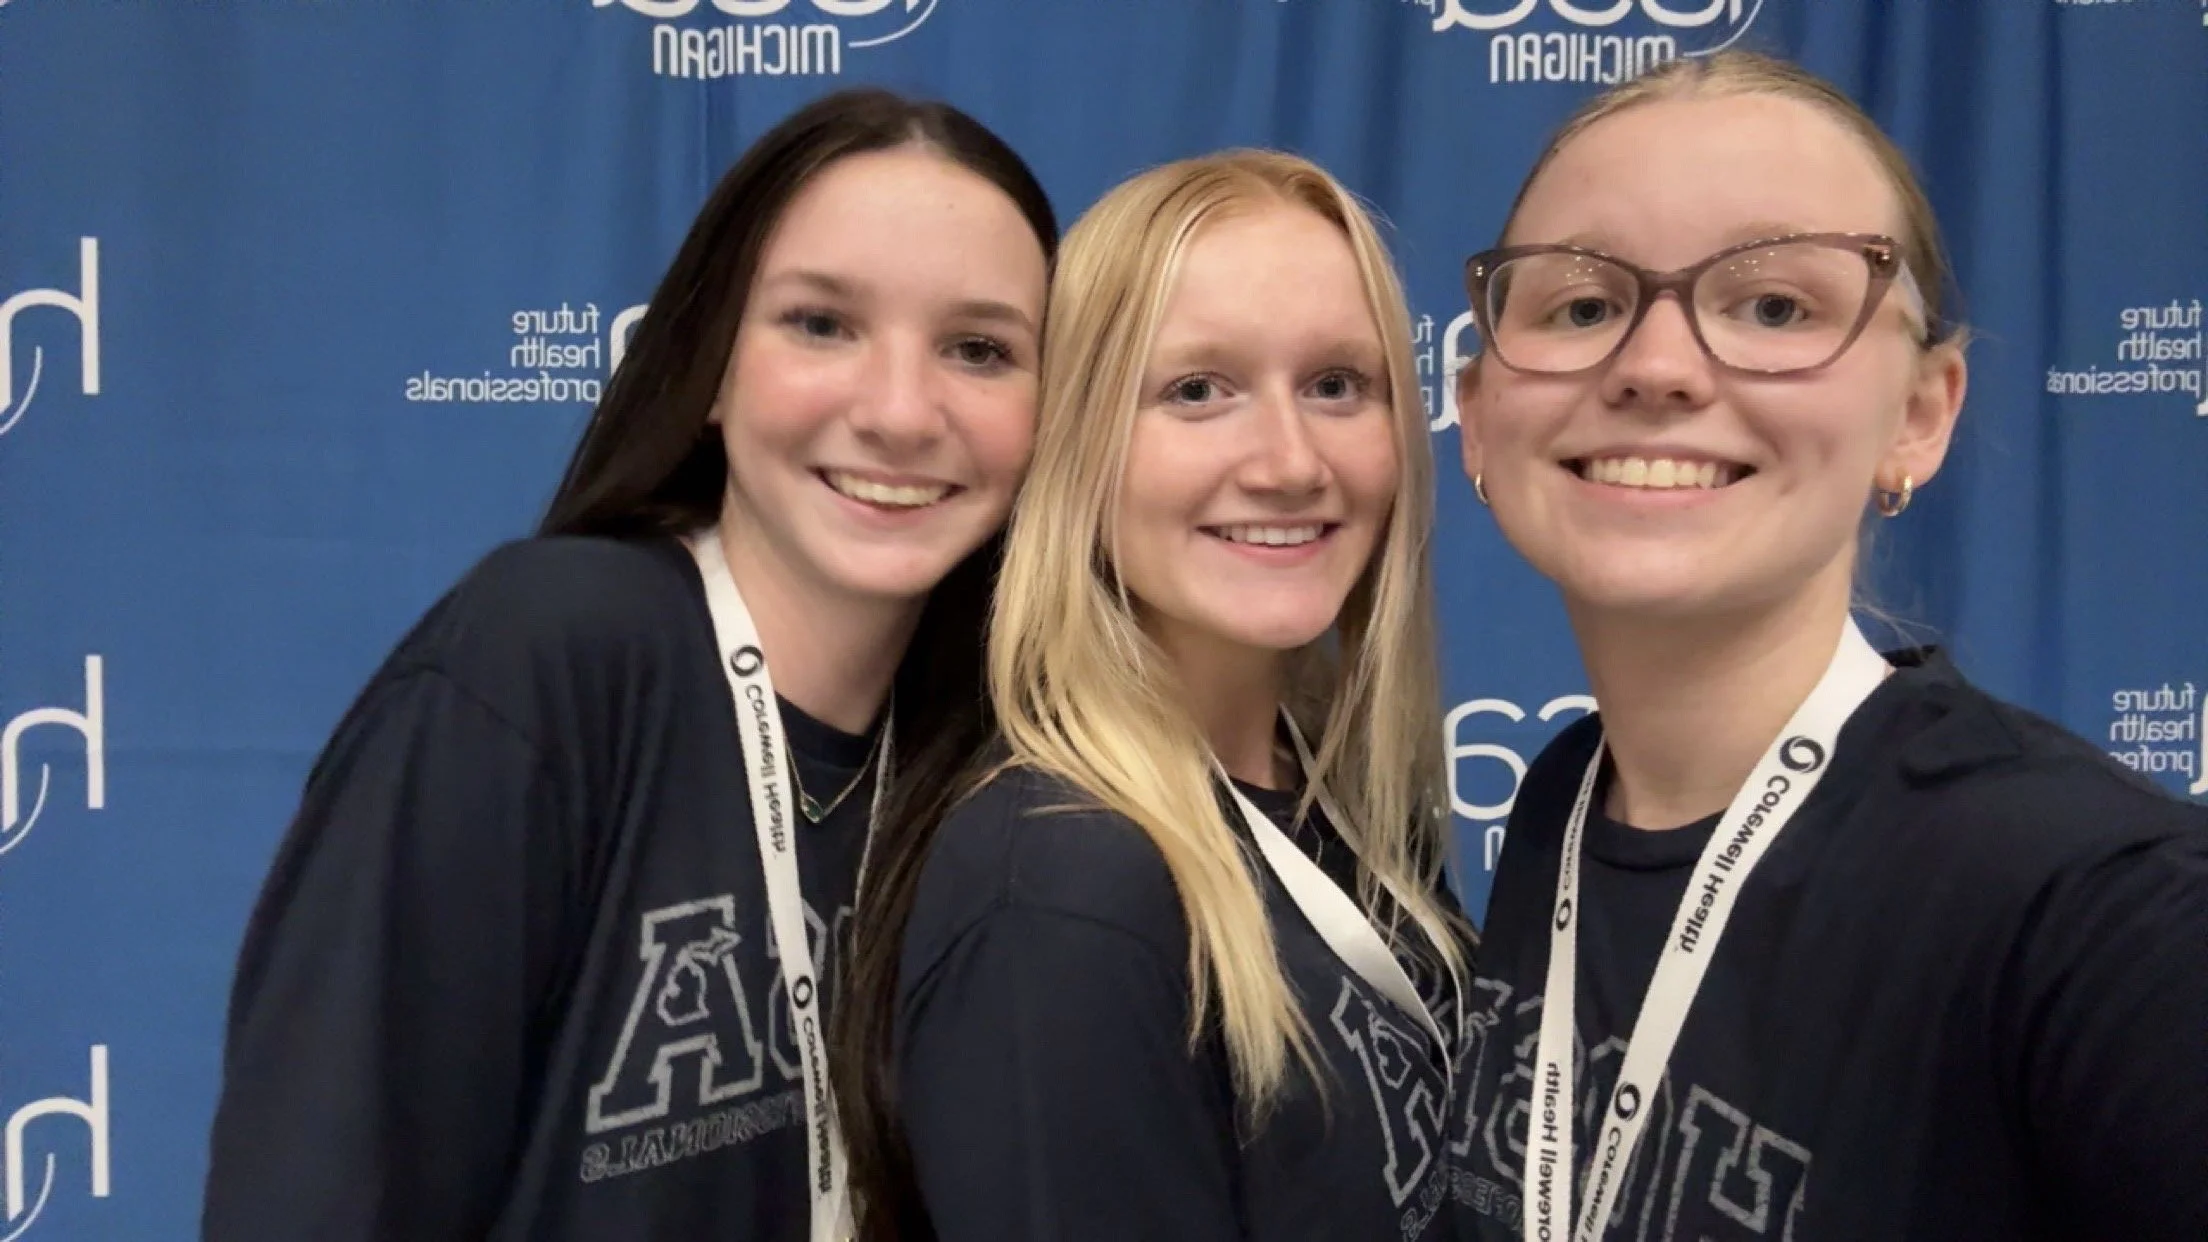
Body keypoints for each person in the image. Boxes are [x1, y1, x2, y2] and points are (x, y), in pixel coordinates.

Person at [200, 88, 1056, 1242]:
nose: (902, 412)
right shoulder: (546, 655)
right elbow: (324, 1188)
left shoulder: (1009, 768)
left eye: (979, 349)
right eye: (820, 324)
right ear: (710, 367)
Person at [1447, 50, 2208, 1242]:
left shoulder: (2107, 913)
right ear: (1479, 417)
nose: (1655, 367)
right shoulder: (1565, 803)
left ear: (1919, 415)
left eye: (1773, 308)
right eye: (1583, 306)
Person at [830, 149, 1474, 1242]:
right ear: (1077, 443)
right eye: (1196, 391)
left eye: (1336, 385)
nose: (1289, 462)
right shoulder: (1065, 889)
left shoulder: (1334, 789)